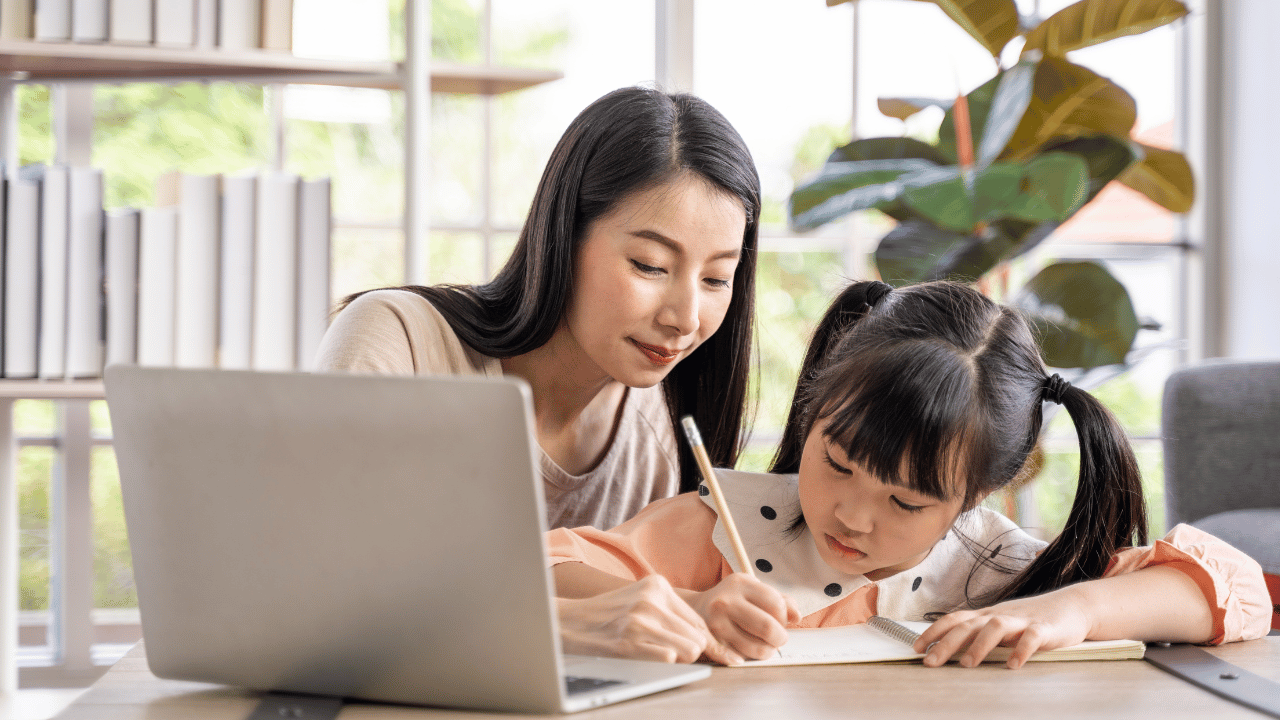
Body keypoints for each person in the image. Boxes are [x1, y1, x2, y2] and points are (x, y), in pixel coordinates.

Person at [548, 280, 1271, 667]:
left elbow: (1239, 596)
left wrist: (1066, 612)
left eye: (906, 500)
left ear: (979, 495)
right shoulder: (722, 527)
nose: (854, 517)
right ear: (814, 409)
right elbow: (533, 570)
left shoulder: (994, 571)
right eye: (835, 462)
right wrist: (686, 606)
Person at [314, 86, 759, 664]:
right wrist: (559, 626)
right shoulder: (399, 341)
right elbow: (326, 589)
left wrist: (693, 615)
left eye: (716, 279)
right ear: (562, 237)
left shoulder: (657, 439)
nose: (685, 318)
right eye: (651, 266)